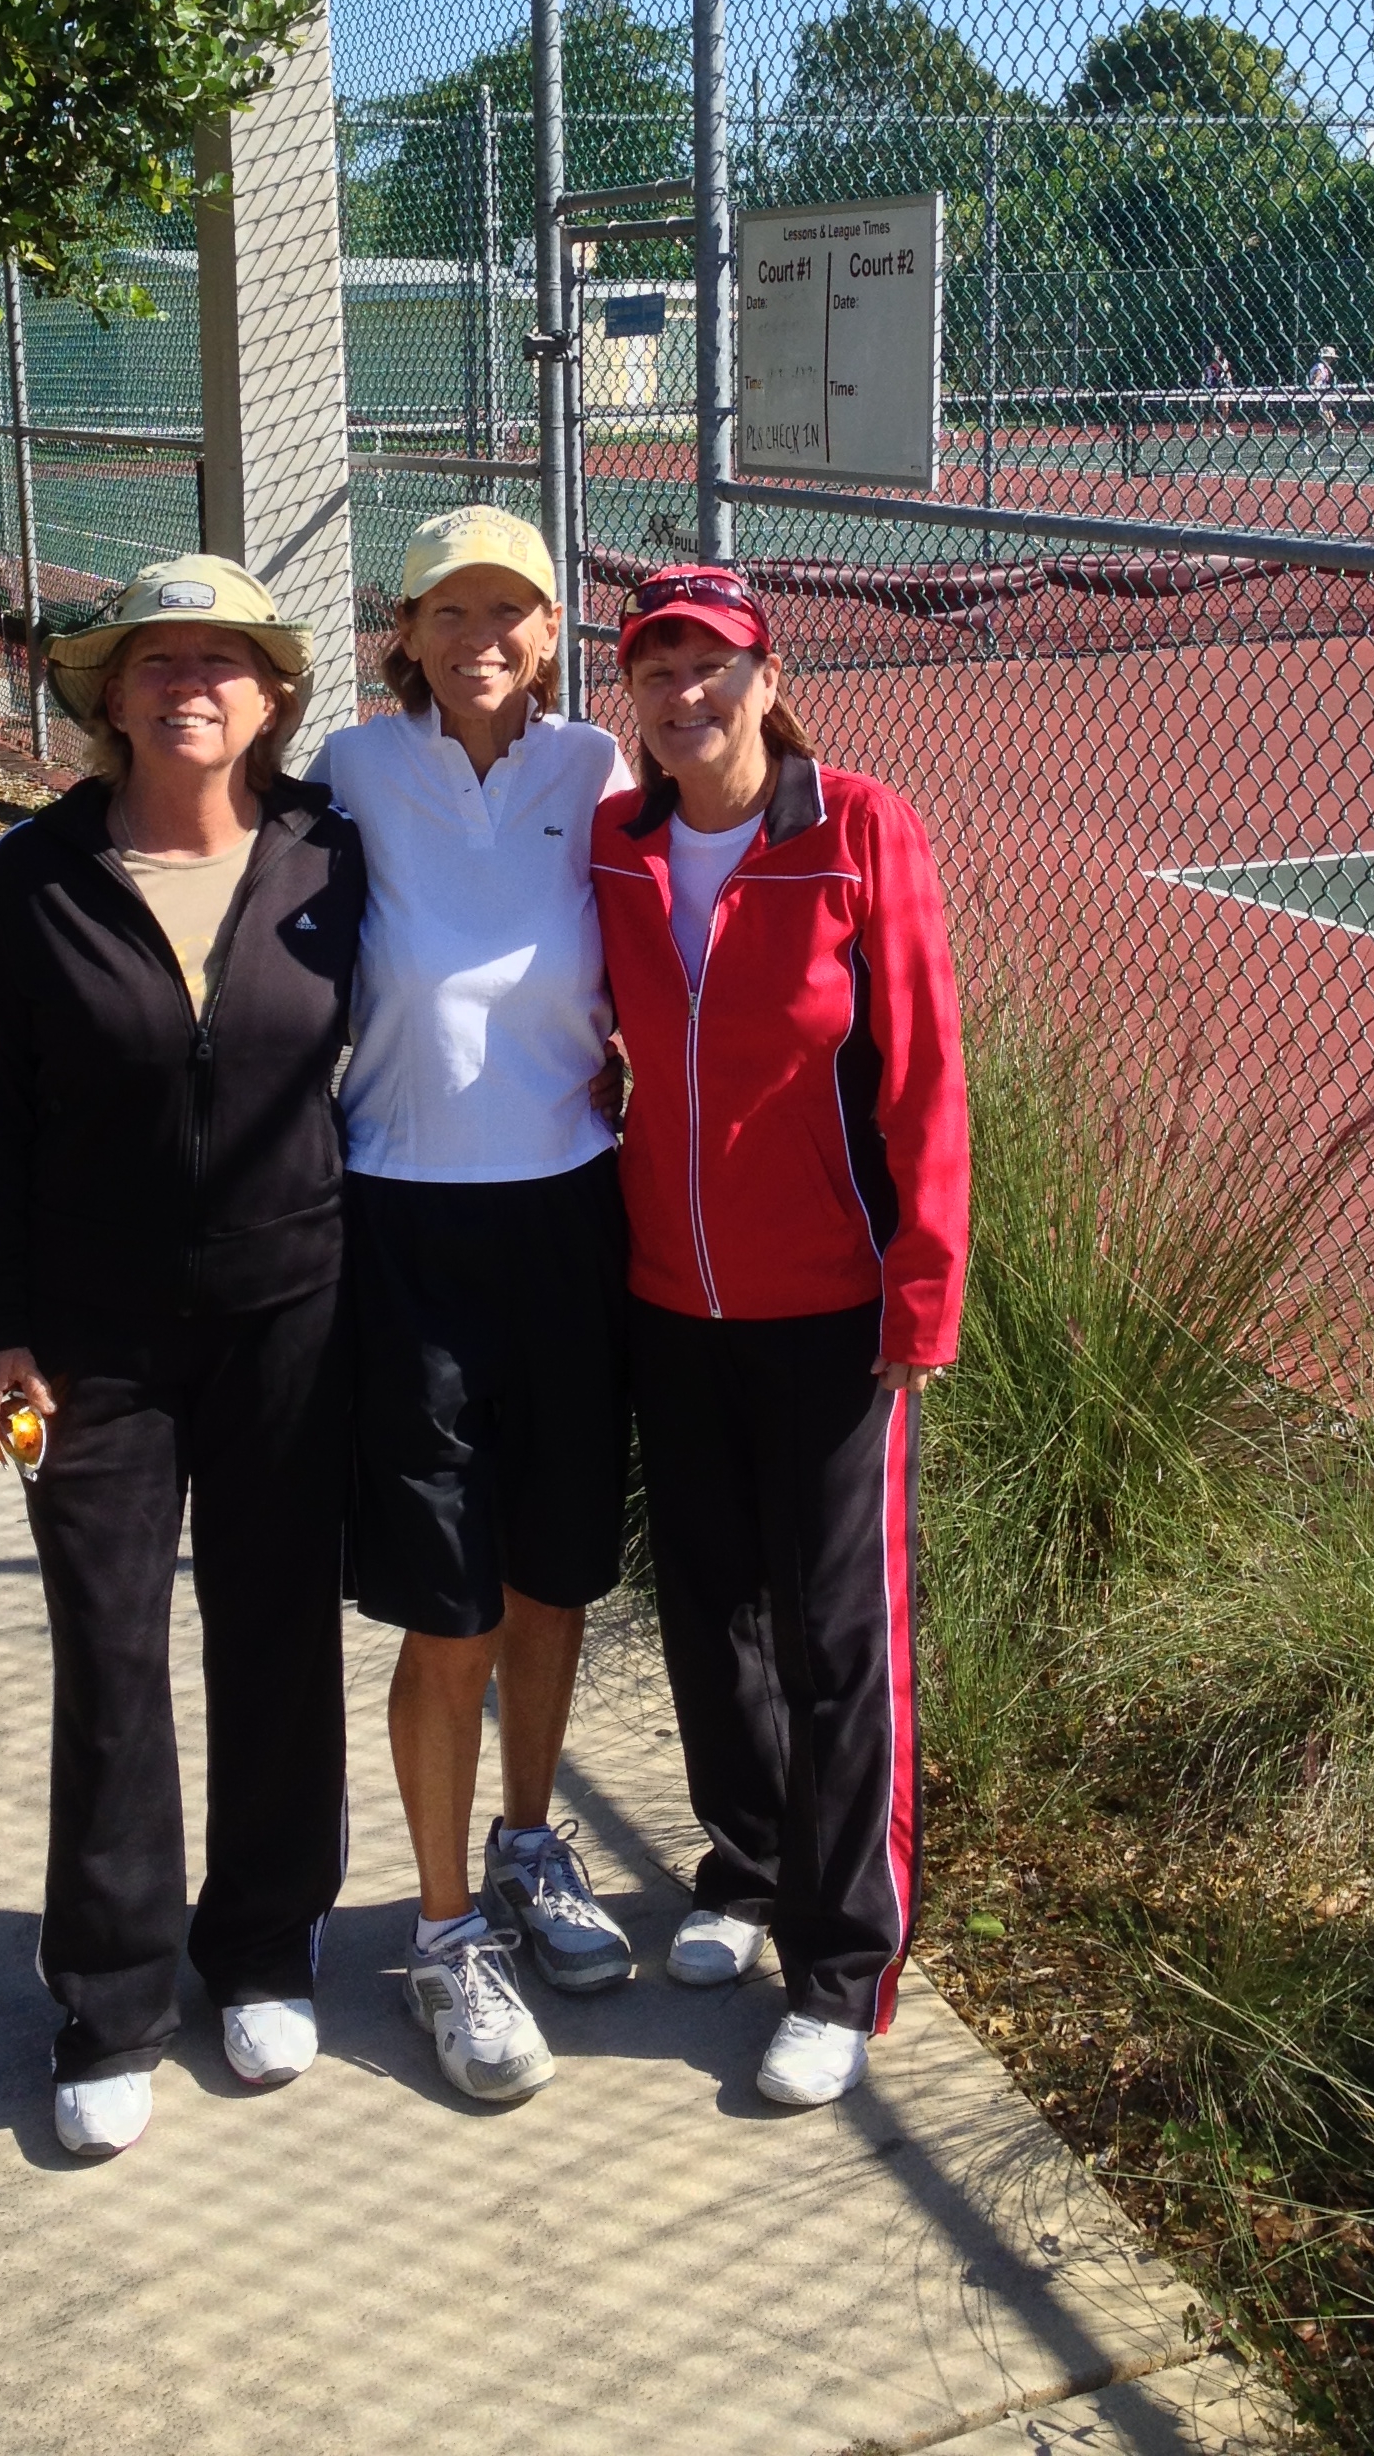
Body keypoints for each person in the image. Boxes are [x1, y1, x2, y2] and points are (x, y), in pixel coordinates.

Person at [0, 554, 363, 2159]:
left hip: (296, 1318)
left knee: (276, 1638)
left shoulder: (335, 853)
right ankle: (110, 1998)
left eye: (225, 660)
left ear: (270, 697)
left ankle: (261, 1946)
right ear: (108, 695)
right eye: (154, 661)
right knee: (108, 1655)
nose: (189, 684)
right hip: (90, 1345)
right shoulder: (33, 873)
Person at [590, 565, 969, 2111]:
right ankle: (742, 1874)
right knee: (706, 1614)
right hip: (668, 1297)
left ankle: (840, 1961)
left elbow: (927, 1075)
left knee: (836, 1642)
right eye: (657, 671)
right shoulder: (615, 846)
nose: (687, 697)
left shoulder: (859, 829)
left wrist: (921, 1288)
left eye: (714, 667)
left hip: (833, 1311)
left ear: (768, 672)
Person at [324, 503, 636, 2108]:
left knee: (551, 1580)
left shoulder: (597, 768)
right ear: (410, 633)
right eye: (455, 612)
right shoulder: (351, 769)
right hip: (403, 1231)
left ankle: (527, 1849)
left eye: (513, 608)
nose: (485, 638)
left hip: (573, 1219)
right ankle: (444, 1936)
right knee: (446, 1613)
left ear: (553, 629)